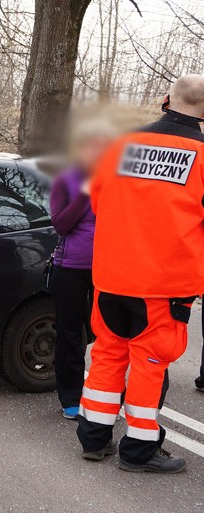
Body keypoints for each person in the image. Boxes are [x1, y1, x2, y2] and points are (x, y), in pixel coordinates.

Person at [76, 75, 204, 473]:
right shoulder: (201, 155)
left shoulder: (120, 145)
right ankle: (140, 451)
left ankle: (94, 440)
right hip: (163, 286)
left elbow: (96, 200)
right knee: (149, 366)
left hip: (112, 277)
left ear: (166, 100)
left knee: (107, 356)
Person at [49, 124, 113, 420]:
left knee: (108, 334)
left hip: (109, 268)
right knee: (70, 333)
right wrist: (87, 192)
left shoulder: (115, 180)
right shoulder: (65, 180)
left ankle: (105, 394)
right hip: (71, 268)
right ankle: (71, 396)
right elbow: (61, 225)